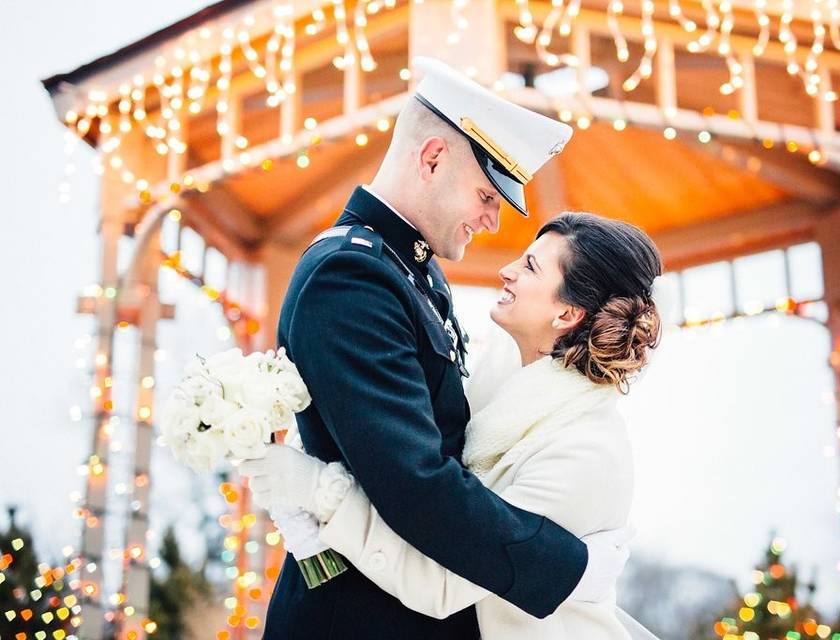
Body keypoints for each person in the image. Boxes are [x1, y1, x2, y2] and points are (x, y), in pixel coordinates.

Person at [241, 57, 631, 639]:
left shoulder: (410, 271)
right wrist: (567, 568)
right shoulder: (350, 275)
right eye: (486, 194)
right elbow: (417, 484)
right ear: (431, 159)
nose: (493, 220)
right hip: (357, 618)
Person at [253, 212, 665, 639]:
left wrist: (322, 492)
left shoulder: (585, 452)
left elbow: (441, 582)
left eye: (529, 267)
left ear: (567, 314)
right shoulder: (493, 382)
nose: (507, 271)